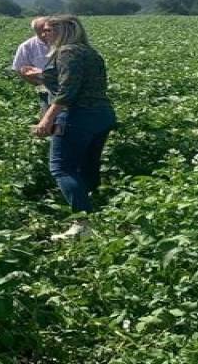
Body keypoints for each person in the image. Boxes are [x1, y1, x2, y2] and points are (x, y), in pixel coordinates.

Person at [27, 15, 116, 235]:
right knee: (87, 167)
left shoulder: (67, 52)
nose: (44, 34)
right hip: (101, 114)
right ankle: (96, 213)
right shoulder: (89, 52)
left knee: (62, 168)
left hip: (78, 115)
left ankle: (83, 223)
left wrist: (47, 119)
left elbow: (69, 90)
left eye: (49, 30)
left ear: (65, 31)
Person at [12, 17, 52, 116]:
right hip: (44, 89)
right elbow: (19, 69)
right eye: (40, 32)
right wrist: (39, 83)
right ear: (35, 31)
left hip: (67, 88)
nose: (44, 34)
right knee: (47, 117)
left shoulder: (63, 43)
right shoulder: (26, 46)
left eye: (47, 30)